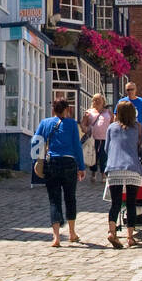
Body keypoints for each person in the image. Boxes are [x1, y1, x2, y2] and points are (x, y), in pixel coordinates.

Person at [33, 98, 86, 247]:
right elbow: (77, 147)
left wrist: (36, 161)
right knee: (70, 198)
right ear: (67, 109)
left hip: (52, 163)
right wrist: (81, 167)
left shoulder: (45, 123)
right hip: (69, 163)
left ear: (53, 110)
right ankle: (71, 232)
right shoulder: (72, 124)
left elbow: (35, 142)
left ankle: (56, 237)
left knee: (54, 199)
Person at [102, 100, 142, 247]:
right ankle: (130, 237)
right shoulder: (139, 128)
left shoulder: (111, 128)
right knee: (131, 203)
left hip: (114, 168)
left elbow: (107, 149)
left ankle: (112, 232)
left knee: (116, 203)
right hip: (133, 168)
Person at [82, 93, 112, 184]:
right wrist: (86, 129)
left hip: (105, 139)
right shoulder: (89, 112)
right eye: (95, 99)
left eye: (99, 99)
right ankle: (93, 173)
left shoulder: (108, 112)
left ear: (103, 101)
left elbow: (113, 123)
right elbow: (83, 123)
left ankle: (103, 174)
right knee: (93, 157)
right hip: (93, 138)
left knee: (104, 157)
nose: (97, 101)